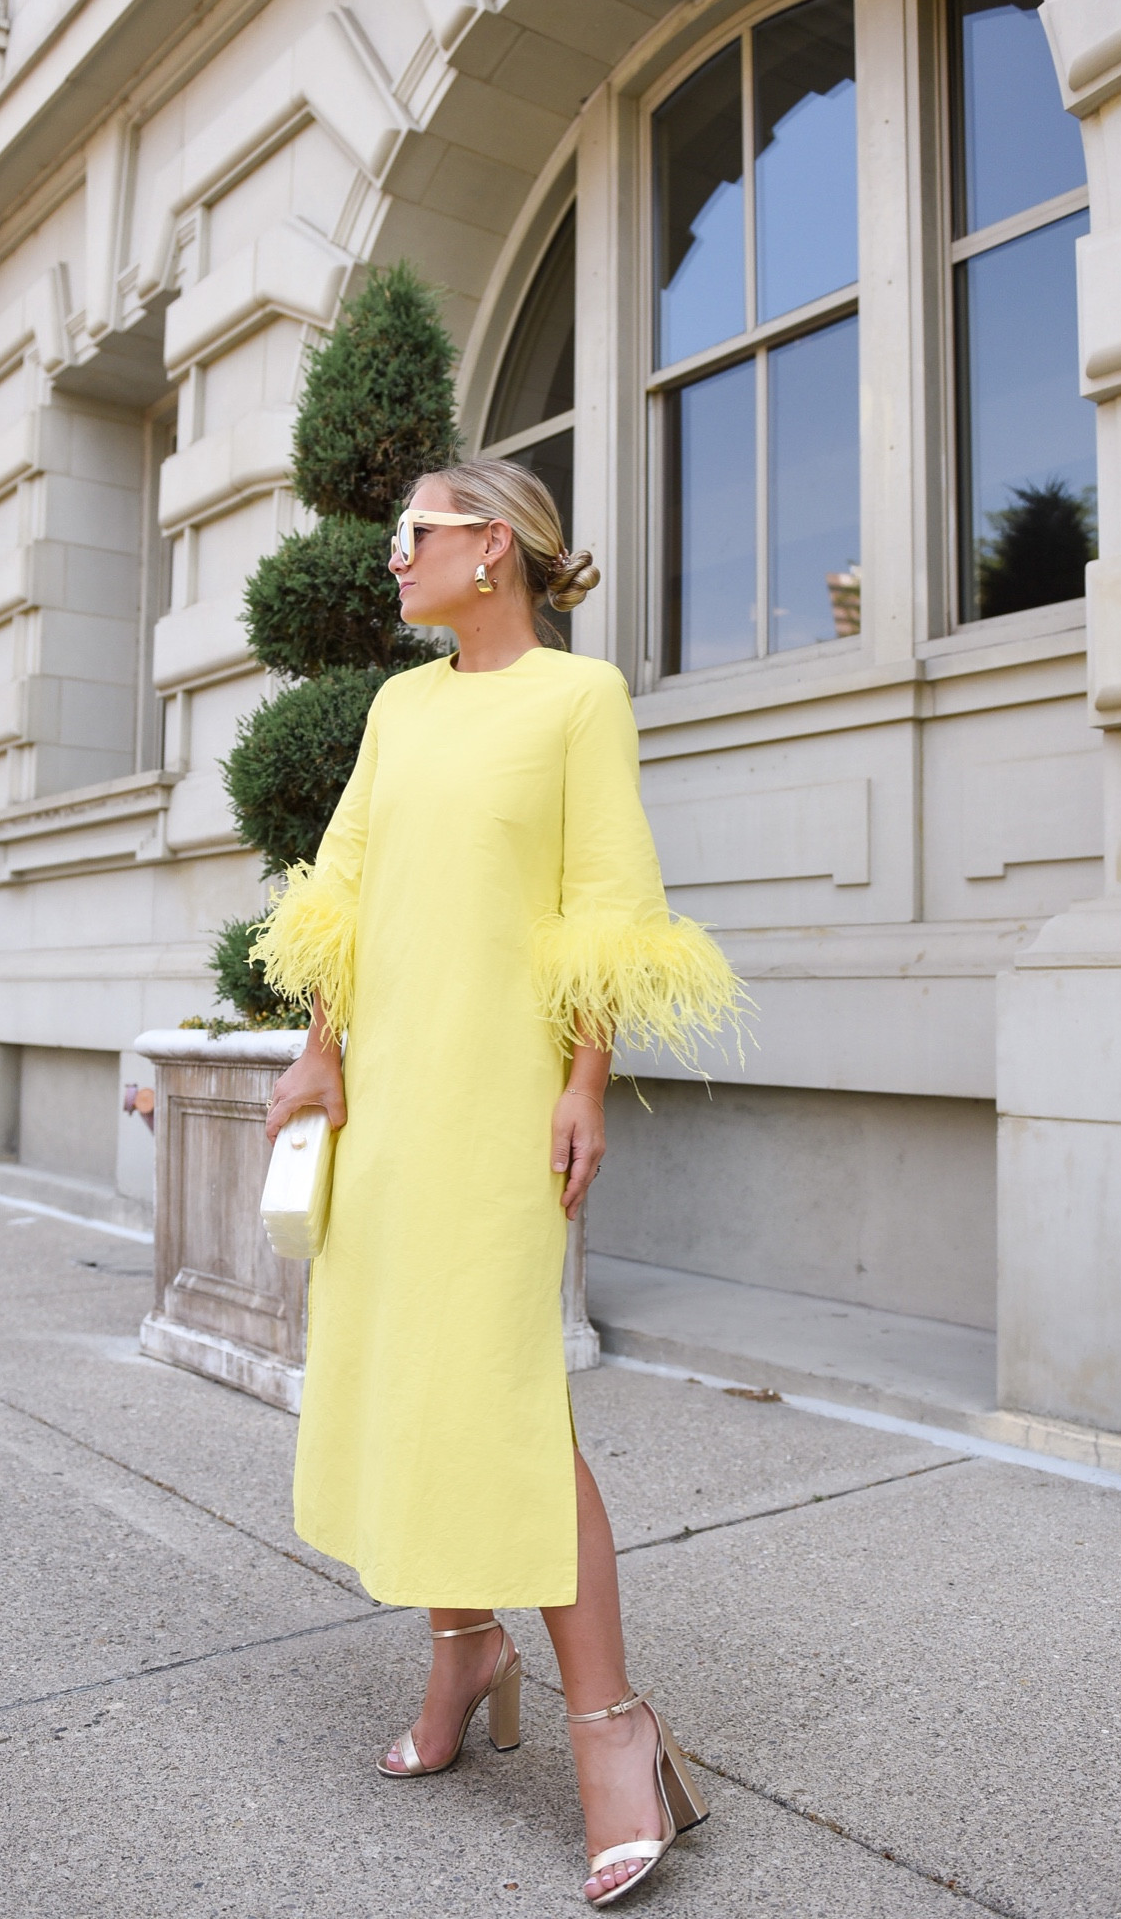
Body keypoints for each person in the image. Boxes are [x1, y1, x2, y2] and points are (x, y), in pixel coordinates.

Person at [257, 458, 742, 1907]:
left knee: (505, 1390)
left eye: (416, 532)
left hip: (500, 1098)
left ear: (497, 548)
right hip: (390, 1093)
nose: (393, 556)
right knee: (408, 1372)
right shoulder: (401, 706)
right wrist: (317, 1056)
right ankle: (462, 1650)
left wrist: (587, 1078)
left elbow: (605, 900)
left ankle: (613, 1725)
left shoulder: (578, 701)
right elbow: (337, 890)